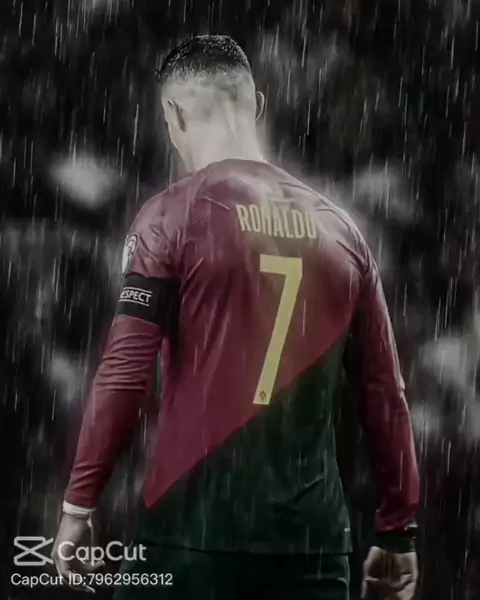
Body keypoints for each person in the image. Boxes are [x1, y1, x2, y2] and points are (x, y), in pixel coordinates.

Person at [52, 34, 420, 600]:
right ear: (258, 105)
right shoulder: (343, 232)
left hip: (191, 535)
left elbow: (124, 373)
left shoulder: (172, 216)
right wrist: (398, 528)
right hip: (311, 548)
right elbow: (384, 393)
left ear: (174, 115)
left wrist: (80, 502)